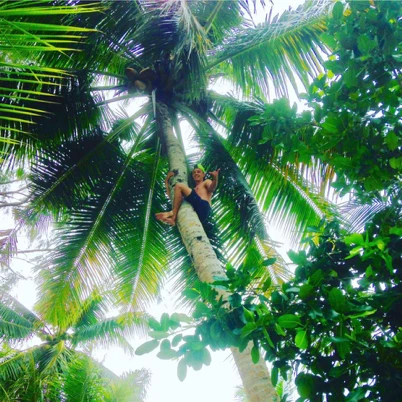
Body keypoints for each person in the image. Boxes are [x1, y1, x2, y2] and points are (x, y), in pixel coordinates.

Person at [155, 164, 220, 226]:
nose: (196, 173)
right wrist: (166, 181)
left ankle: (172, 216)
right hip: (198, 214)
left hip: (204, 206)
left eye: (198, 172)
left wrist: (215, 178)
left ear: (203, 174)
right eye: (194, 172)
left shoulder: (206, 182)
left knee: (179, 186)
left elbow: (212, 188)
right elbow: (173, 197)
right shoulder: (193, 191)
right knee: (179, 198)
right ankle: (172, 214)